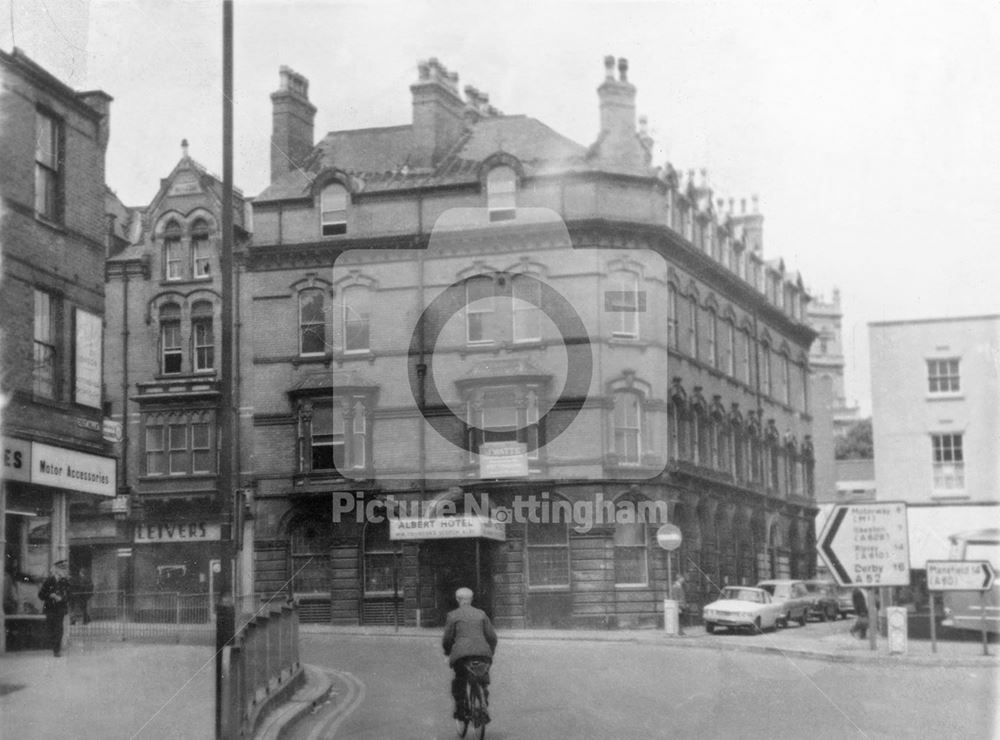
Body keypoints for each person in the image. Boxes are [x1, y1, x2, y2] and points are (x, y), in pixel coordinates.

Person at [442, 587, 497, 722]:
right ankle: (483, 704)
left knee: (460, 681)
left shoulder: (453, 615)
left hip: (461, 656)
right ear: (471, 599)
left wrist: (448, 652)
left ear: (457, 599)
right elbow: (492, 637)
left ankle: (461, 711)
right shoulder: (481, 614)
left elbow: (447, 639)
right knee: (482, 680)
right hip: (483, 654)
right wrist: (490, 652)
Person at [39, 560, 72, 656]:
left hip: (60, 608)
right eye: (61, 569)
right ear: (56, 570)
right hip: (49, 608)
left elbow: (70, 595)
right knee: (51, 628)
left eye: (64, 569)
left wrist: (61, 598)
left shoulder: (65, 582)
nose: (63, 571)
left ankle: (56, 650)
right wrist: (50, 595)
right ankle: (54, 646)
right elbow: (40, 595)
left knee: (58, 628)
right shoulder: (49, 580)